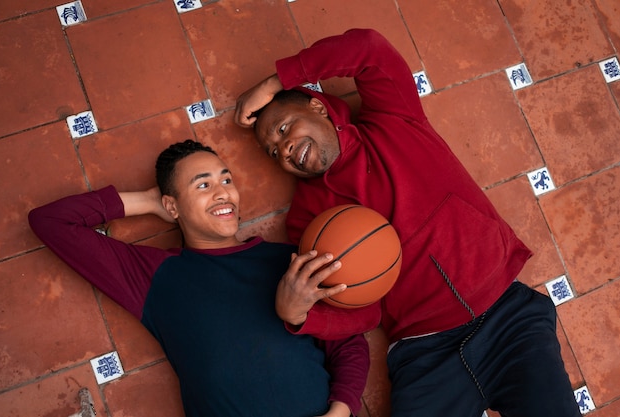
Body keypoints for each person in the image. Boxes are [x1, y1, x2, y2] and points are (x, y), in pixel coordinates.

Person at [234, 28, 581, 417]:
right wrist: (299, 315)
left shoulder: (393, 119)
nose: (284, 150)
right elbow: (364, 309)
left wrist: (277, 80)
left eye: (283, 130)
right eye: (274, 151)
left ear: (317, 107)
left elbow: (369, 48)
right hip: (426, 355)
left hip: (508, 320)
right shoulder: (308, 220)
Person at [28, 140, 369, 417]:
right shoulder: (154, 275)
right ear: (172, 206)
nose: (223, 193)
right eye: (203, 185)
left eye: (226, 180)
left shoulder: (287, 260)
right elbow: (50, 222)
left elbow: (349, 342)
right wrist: (148, 201)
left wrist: (339, 413)